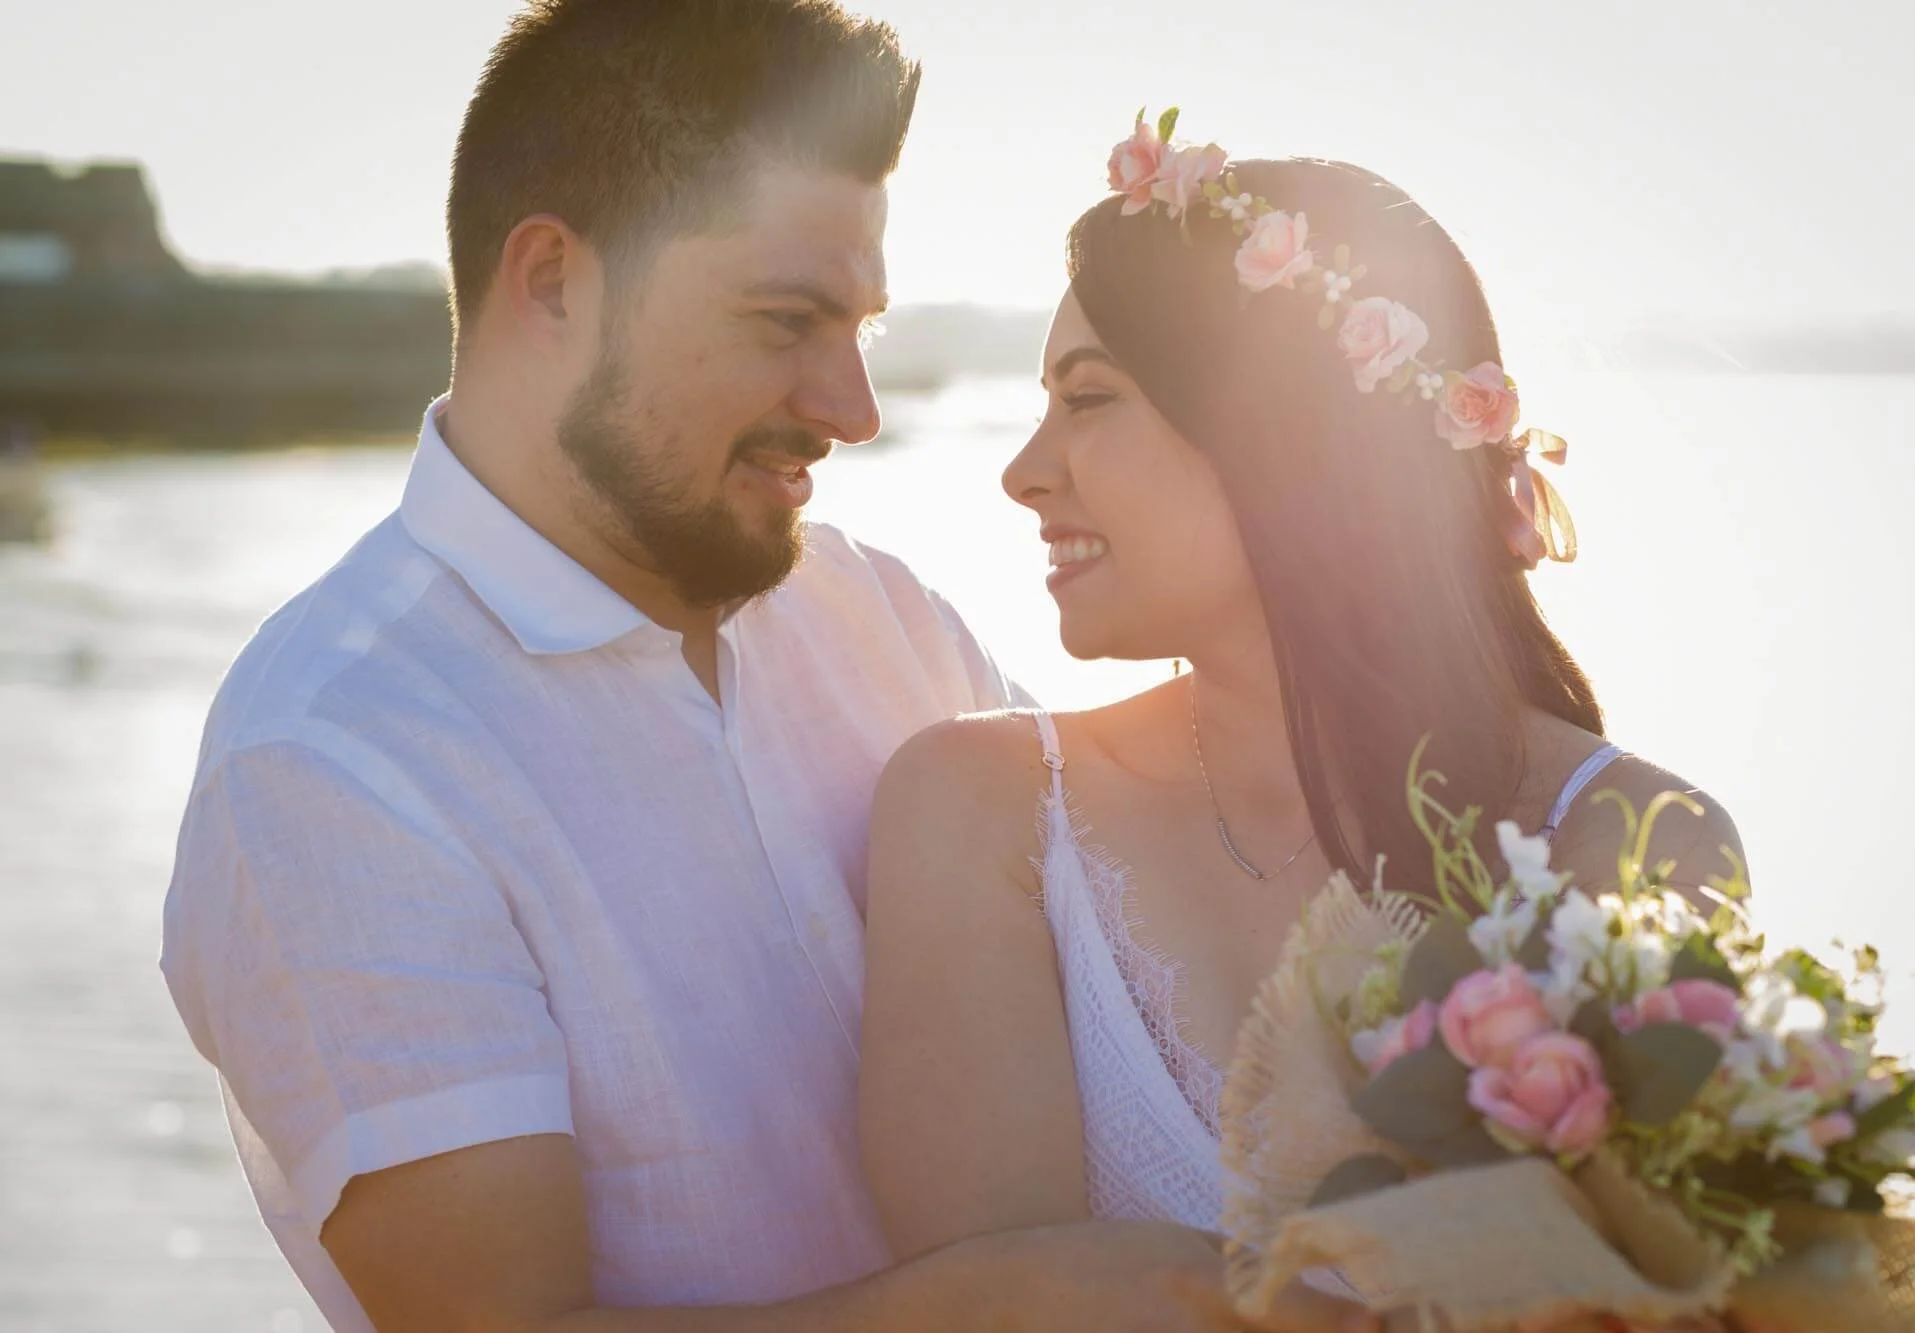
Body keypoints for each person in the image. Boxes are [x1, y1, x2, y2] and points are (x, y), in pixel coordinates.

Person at [160, 10, 1373, 1333]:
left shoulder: (874, 609)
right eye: (787, 319)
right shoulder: (334, 761)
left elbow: (1156, 951)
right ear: (555, 282)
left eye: (859, 326)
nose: (853, 406)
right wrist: (1005, 1304)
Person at [858, 128, 1746, 1297]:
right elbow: (987, 1304)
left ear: (1280, 432)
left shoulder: (1626, 837)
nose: (1024, 469)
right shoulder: (981, 812)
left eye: (1087, 398)